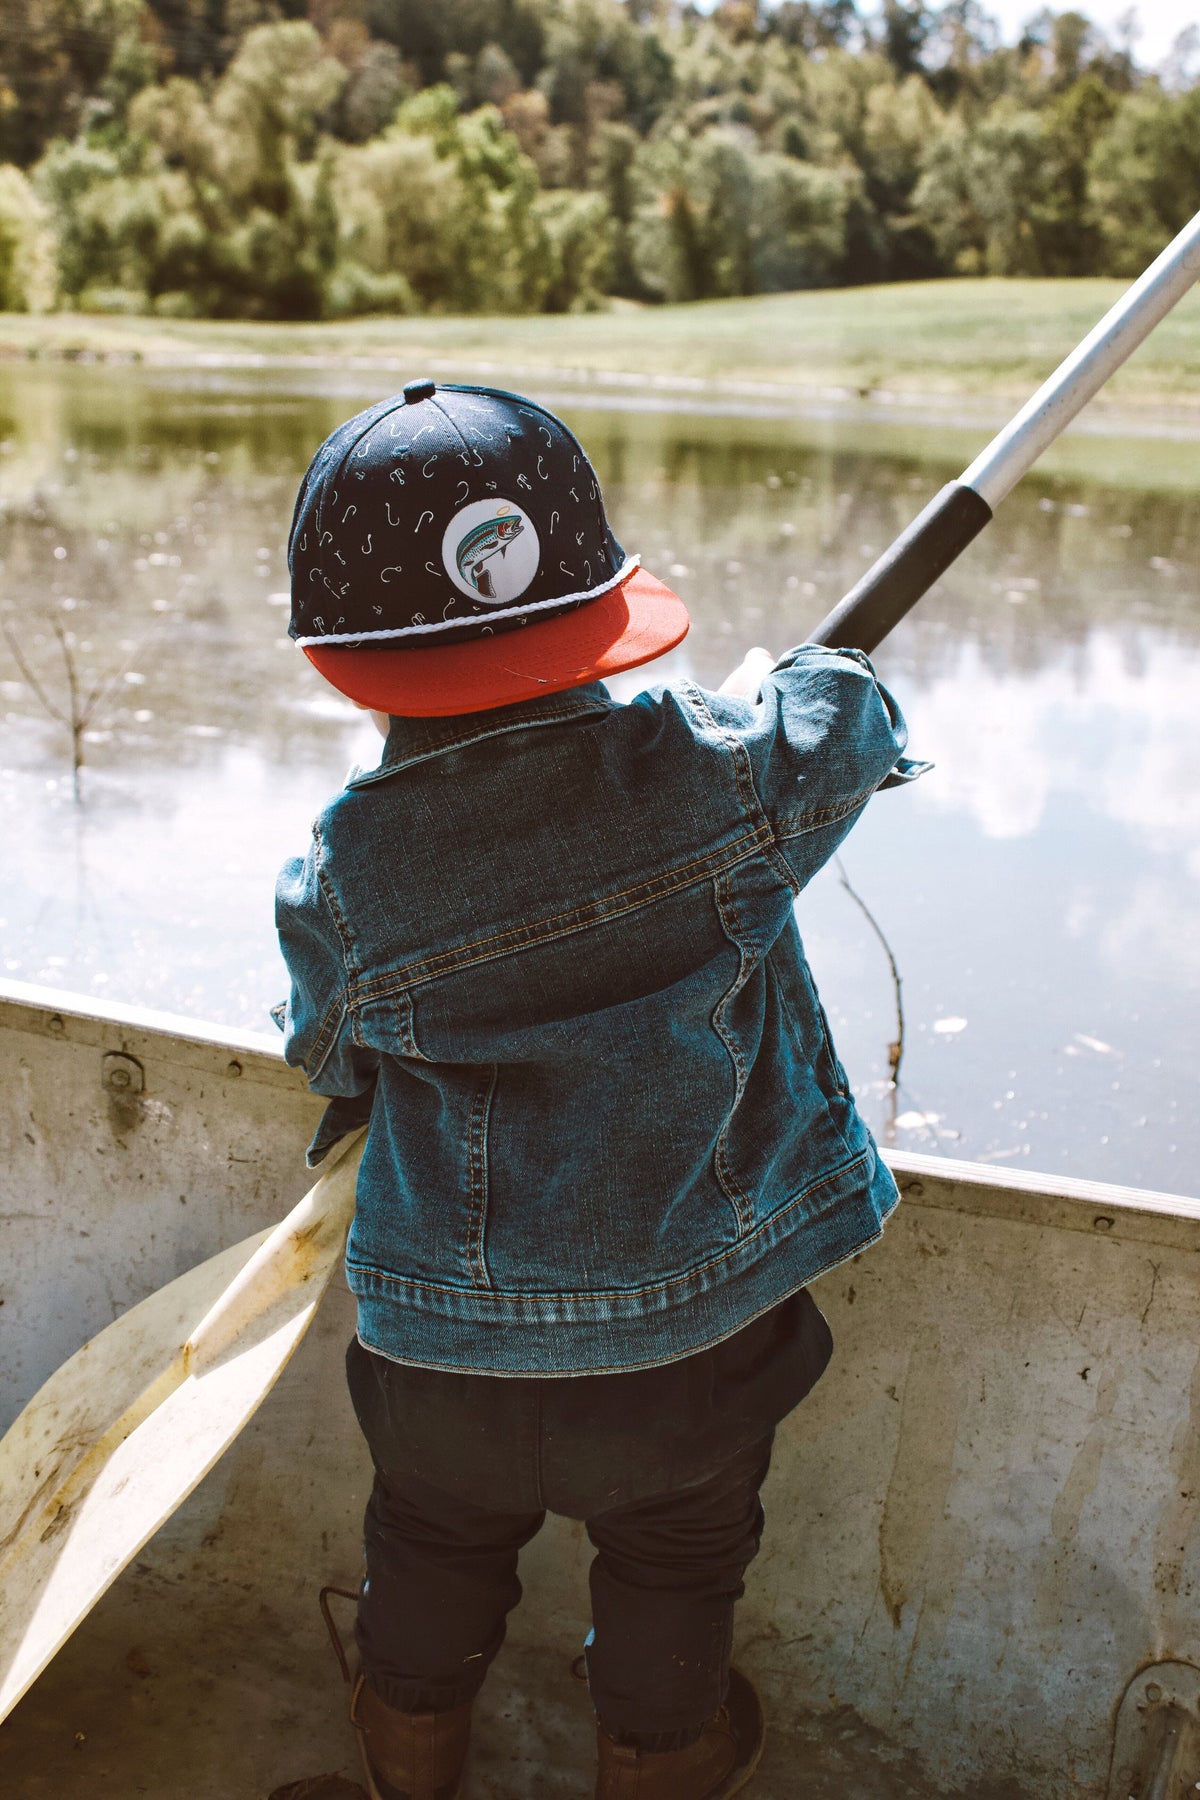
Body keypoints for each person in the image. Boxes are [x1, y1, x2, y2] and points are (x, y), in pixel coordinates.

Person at [274, 379, 923, 1800]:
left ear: (356, 665)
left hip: (444, 1363)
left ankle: (410, 1769)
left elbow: (330, 1054)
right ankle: (657, 1754)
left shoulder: (341, 872)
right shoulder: (721, 775)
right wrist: (766, 696)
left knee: (430, 1559)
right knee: (674, 1577)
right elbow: (851, 718)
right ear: (597, 615)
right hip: (693, 1359)